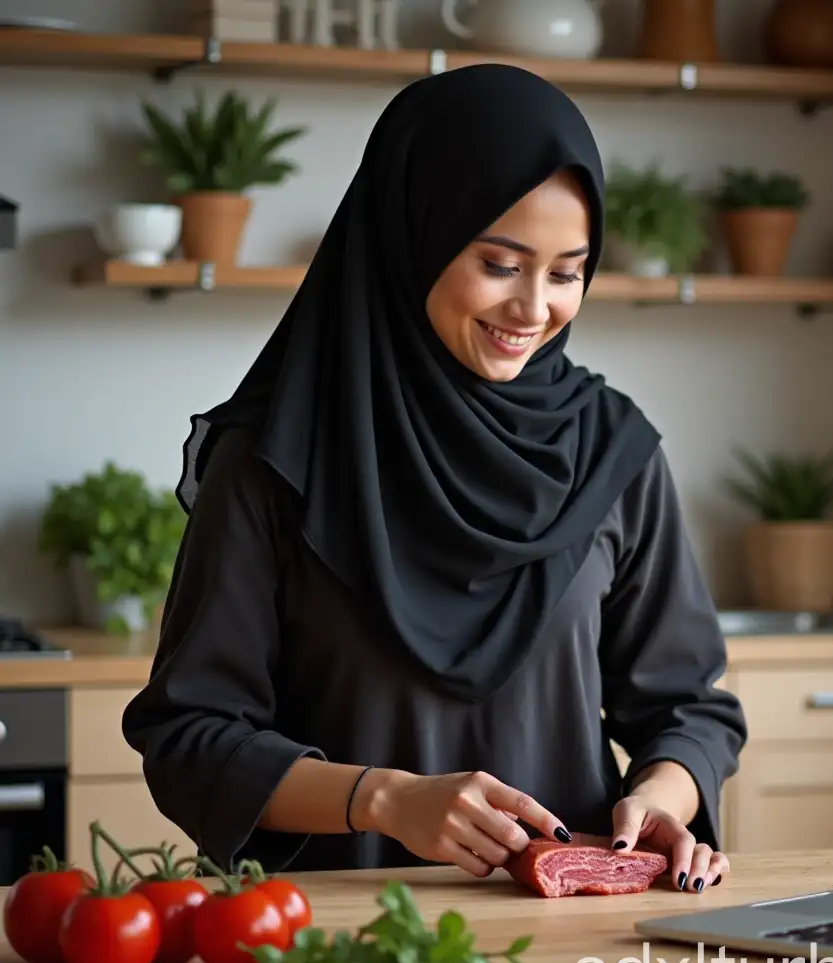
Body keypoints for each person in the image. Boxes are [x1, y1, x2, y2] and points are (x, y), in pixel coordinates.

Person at [121, 63, 747, 895]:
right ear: (411, 234)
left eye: (567, 273)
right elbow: (191, 736)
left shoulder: (612, 451)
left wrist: (660, 795)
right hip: (328, 940)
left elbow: (687, 705)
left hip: (570, 932)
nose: (534, 308)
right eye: (500, 263)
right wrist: (383, 800)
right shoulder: (271, 462)